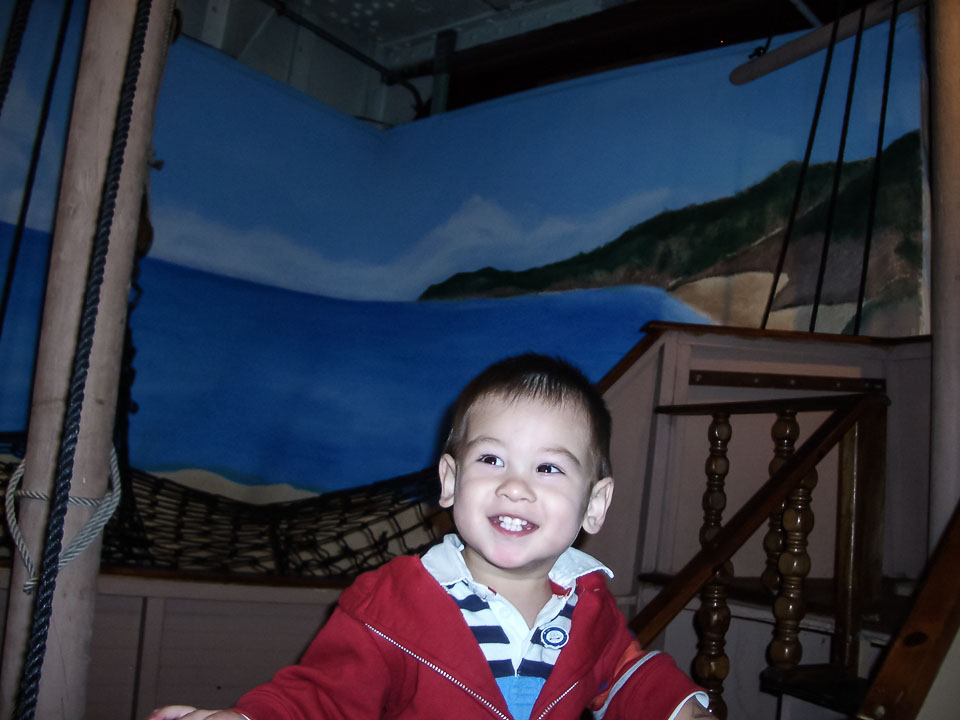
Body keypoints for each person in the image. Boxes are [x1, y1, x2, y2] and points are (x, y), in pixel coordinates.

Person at [149, 354, 710, 720]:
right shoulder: (389, 603)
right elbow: (323, 696)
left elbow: (625, 674)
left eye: (548, 468)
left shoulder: (589, 606)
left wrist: (680, 707)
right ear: (450, 481)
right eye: (492, 459)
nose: (515, 487)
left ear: (595, 505)